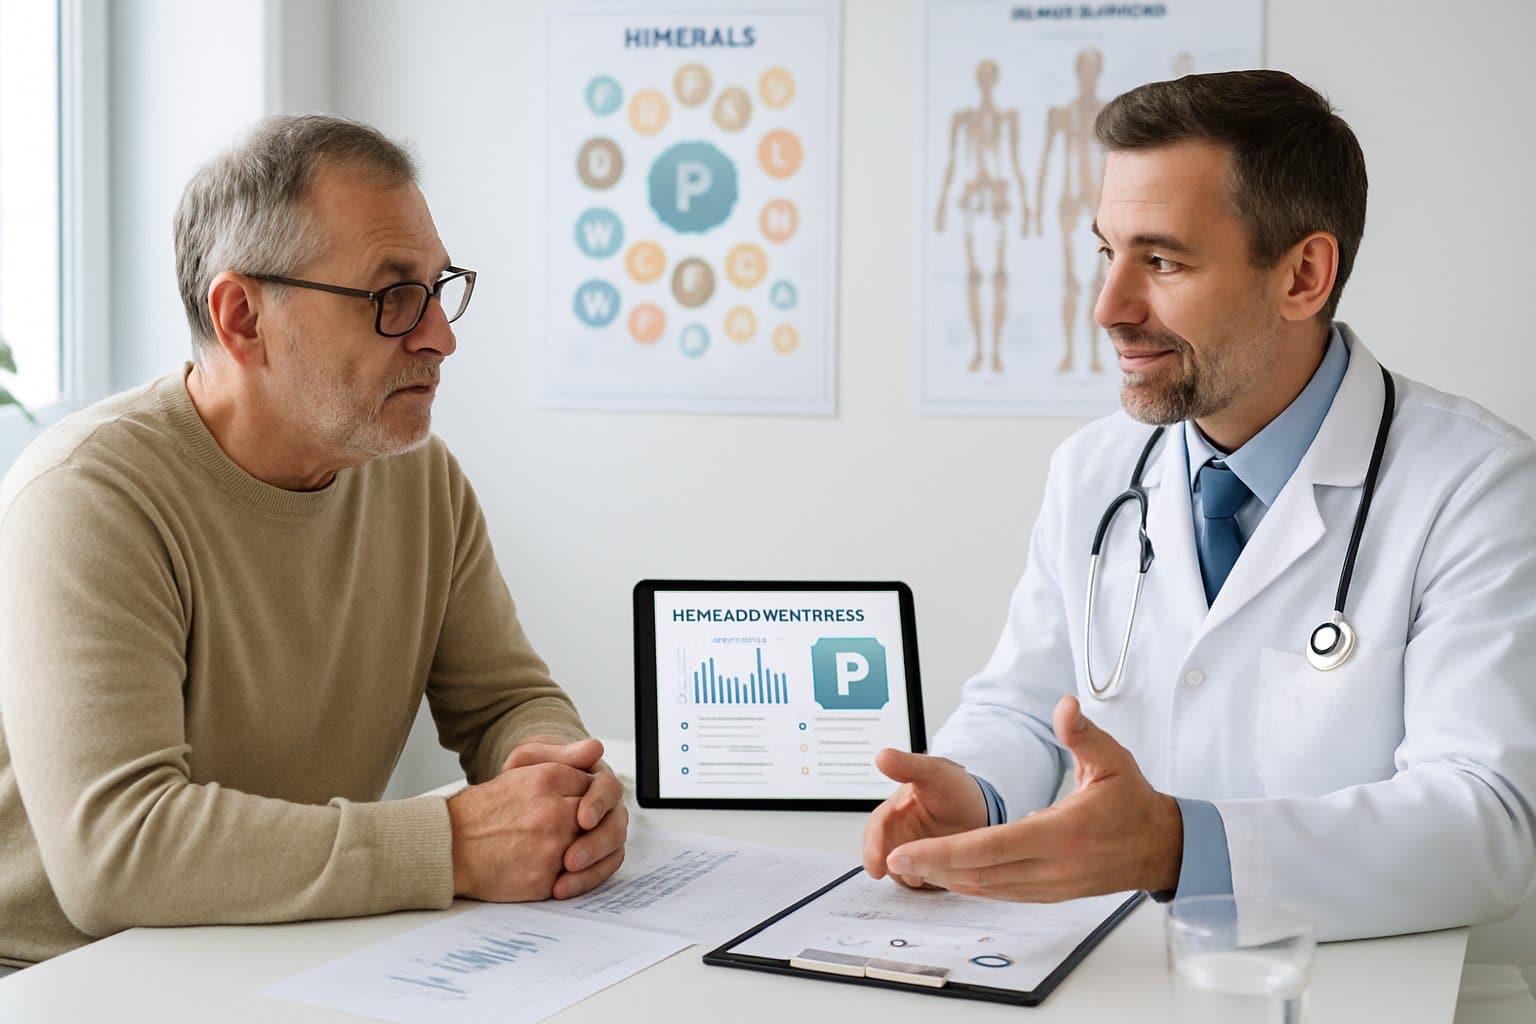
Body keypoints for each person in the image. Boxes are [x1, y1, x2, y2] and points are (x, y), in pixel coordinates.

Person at [864, 71, 1536, 947]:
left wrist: (1177, 849)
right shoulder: (1095, 469)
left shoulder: (1477, 487)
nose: (1109, 309)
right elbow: (1030, 705)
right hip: (1116, 975)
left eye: (1163, 260)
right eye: (1108, 252)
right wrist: (972, 786)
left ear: (1303, 274)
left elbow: (1488, 824)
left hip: (1365, 987)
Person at [0, 115, 628, 969]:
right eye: (392, 296)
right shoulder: (86, 497)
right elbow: (117, 853)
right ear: (243, 318)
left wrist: (558, 783)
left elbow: (504, 701)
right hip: (64, 977)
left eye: (440, 289)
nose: (441, 335)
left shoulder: (416, 475)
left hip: (284, 954)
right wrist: (450, 843)